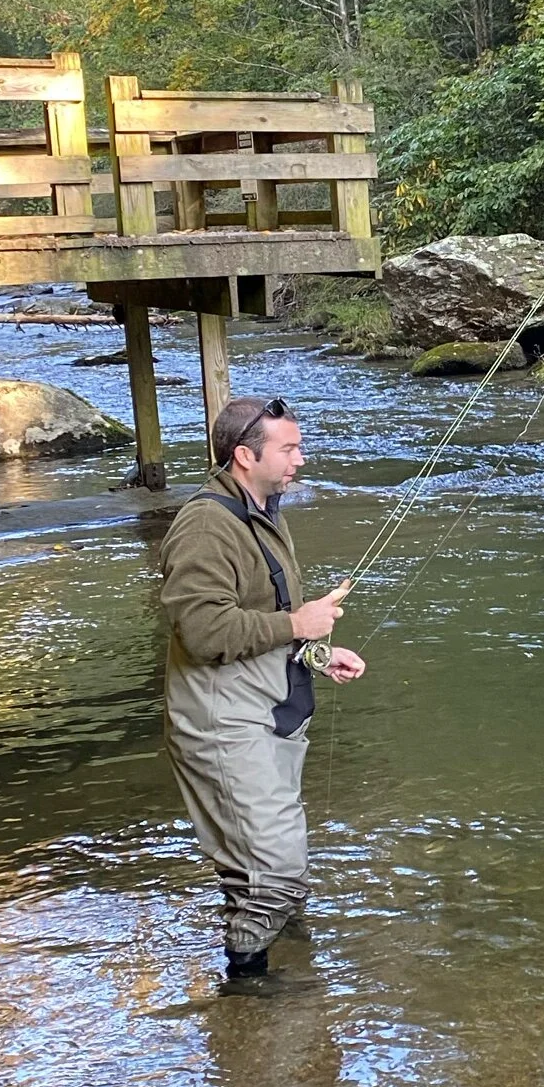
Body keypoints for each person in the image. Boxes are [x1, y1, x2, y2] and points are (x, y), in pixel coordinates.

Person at [158, 395, 365, 979]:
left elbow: (264, 616)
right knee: (275, 871)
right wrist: (299, 625)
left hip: (267, 712)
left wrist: (317, 653)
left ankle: (286, 969)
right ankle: (247, 992)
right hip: (223, 724)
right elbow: (204, 631)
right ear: (245, 456)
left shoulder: (264, 511)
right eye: (289, 449)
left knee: (266, 866)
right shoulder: (206, 525)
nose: (301, 459)